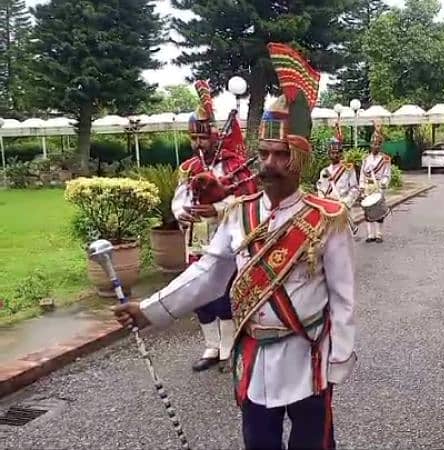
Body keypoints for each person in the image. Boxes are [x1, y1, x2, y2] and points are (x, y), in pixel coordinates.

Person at [113, 42, 356, 450]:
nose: (269, 164)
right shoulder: (238, 214)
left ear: (299, 159)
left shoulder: (326, 217)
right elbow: (208, 274)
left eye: (280, 155)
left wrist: (339, 358)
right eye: (263, 153)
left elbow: (344, 297)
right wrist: (148, 310)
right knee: (258, 442)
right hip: (256, 356)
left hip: (308, 353)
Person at [174, 79, 257, 372]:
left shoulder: (232, 165)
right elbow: (179, 199)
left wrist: (217, 208)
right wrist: (182, 213)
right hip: (196, 241)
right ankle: (210, 346)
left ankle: (228, 346)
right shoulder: (189, 168)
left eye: (203, 138)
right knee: (199, 295)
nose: (199, 145)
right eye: (194, 140)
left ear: (212, 135)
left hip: (225, 239)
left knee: (223, 295)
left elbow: (247, 199)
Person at [359, 122, 392, 243]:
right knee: (368, 210)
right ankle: (370, 234)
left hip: (378, 186)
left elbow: (387, 174)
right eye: (373, 144)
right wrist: (361, 186)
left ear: (380, 145)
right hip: (368, 186)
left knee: (378, 211)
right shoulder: (365, 159)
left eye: (377, 144)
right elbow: (362, 174)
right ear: (370, 145)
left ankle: (379, 234)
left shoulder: (385, 159)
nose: (375, 146)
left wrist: (383, 183)